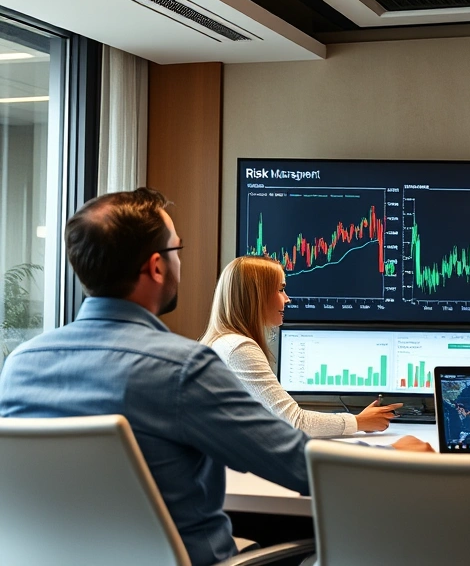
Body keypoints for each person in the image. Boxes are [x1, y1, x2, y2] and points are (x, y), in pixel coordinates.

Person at [0, 189, 432, 566]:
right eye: (177, 250)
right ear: (155, 267)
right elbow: (299, 465)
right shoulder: (183, 370)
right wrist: (393, 458)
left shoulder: (20, 363)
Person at [200, 256, 400, 438]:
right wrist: (359, 421)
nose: (287, 298)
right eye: (280, 289)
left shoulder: (223, 342)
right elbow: (295, 422)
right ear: (257, 296)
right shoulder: (239, 348)